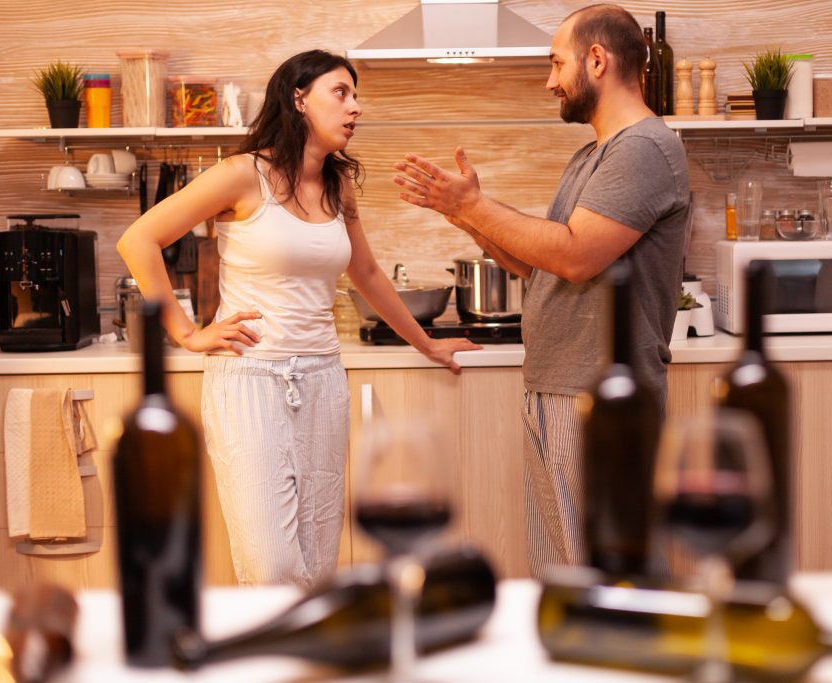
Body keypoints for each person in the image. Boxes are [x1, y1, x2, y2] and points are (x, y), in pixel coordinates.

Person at [117, 50, 479, 589]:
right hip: (251, 382)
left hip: (323, 381)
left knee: (317, 566)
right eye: (341, 92)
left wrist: (428, 343)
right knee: (271, 567)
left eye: (356, 95)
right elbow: (138, 240)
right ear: (298, 98)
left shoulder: (338, 187)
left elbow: (370, 274)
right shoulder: (243, 175)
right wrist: (187, 334)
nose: (355, 107)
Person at [393, 5, 690, 576]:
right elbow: (543, 266)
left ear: (597, 61)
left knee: (596, 577)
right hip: (557, 386)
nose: (551, 80)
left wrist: (475, 204)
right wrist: (468, 219)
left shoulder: (644, 149)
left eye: (558, 63)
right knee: (559, 569)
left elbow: (575, 256)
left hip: (597, 393)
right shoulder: (593, 155)